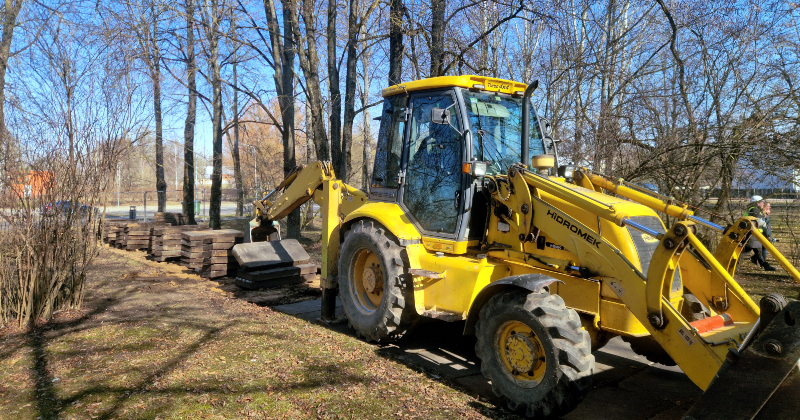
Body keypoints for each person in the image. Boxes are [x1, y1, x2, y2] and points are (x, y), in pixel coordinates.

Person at [744, 196, 776, 271]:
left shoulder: (755, 210)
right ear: (757, 203)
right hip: (752, 234)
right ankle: (733, 266)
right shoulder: (754, 210)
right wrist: (765, 225)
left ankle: (765, 266)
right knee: (744, 252)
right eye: (762, 202)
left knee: (759, 252)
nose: (763, 204)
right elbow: (757, 221)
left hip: (755, 235)